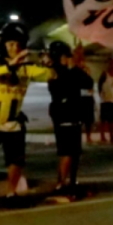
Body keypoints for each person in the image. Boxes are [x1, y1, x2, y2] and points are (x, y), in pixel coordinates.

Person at [0, 23, 53, 214]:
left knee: (15, 160)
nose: (14, 47)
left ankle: (11, 193)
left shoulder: (26, 69)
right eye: (10, 44)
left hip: (13, 122)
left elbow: (48, 74)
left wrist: (51, 63)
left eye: (17, 44)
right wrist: (10, 65)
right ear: (2, 45)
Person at [47, 41, 94, 193]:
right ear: (62, 57)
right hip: (65, 115)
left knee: (74, 152)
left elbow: (88, 83)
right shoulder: (57, 73)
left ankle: (71, 181)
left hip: (71, 114)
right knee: (67, 152)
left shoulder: (64, 72)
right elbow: (86, 82)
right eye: (67, 56)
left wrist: (77, 68)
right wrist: (76, 68)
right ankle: (61, 184)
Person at [72, 44, 96, 144]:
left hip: (87, 98)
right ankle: (77, 138)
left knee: (88, 120)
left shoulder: (86, 70)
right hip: (79, 98)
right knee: (78, 120)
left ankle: (88, 137)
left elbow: (90, 84)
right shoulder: (74, 70)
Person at [98, 58, 113, 144]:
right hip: (105, 100)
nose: (112, 66)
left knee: (112, 119)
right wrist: (101, 95)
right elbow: (99, 85)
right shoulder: (104, 74)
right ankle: (102, 136)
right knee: (103, 120)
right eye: (111, 64)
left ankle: (112, 136)